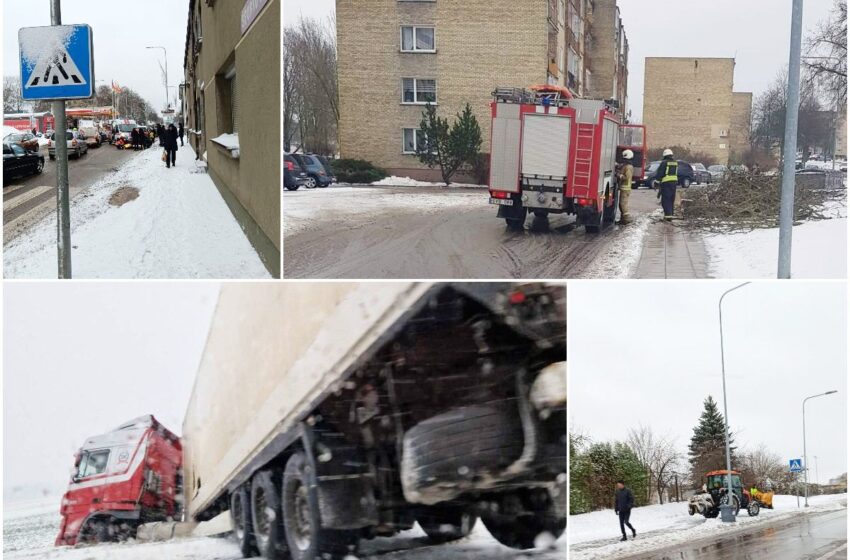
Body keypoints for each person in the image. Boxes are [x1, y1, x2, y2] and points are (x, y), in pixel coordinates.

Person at [652, 148, 679, 220]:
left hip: (666, 183)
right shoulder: (675, 162)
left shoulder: (664, 162)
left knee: (666, 199)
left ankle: (668, 216)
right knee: (671, 199)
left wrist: (657, 182)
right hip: (674, 183)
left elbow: (660, 173)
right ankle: (671, 214)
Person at [617, 149, 635, 224]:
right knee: (621, 204)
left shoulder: (628, 167)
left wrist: (619, 175)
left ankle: (626, 219)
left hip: (625, 188)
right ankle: (623, 220)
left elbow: (626, 177)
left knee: (623, 204)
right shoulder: (627, 166)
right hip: (624, 188)